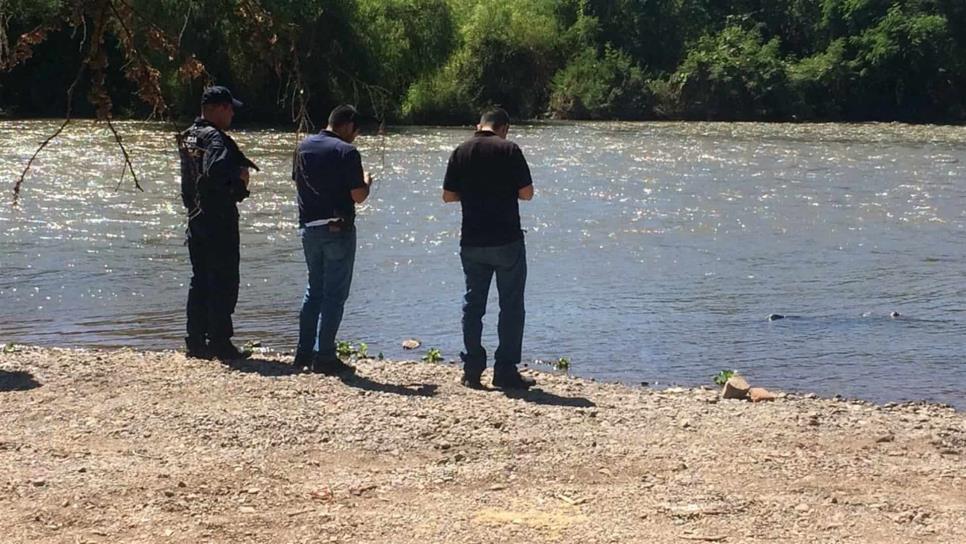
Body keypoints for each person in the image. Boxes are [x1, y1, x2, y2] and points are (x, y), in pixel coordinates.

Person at [442, 108, 535, 390]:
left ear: (478, 125)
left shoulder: (461, 151)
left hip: (472, 240)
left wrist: (472, 194)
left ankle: (472, 369)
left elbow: (447, 196)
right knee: (511, 306)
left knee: (473, 305)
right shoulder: (509, 149)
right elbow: (527, 193)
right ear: (504, 127)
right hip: (506, 239)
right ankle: (505, 370)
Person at [178, 85, 258, 361]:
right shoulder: (215, 139)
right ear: (219, 109)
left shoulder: (188, 135)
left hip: (195, 218)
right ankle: (221, 343)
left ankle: (196, 341)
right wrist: (240, 181)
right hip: (218, 219)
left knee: (200, 279)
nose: (233, 113)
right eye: (229, 108)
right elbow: (215, 173)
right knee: (224, 280)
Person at [292, 105, 373, 375]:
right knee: (335, 295)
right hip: (337, 228)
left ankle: (303, 353)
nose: (355, 136)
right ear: (347, 125)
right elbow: (358, 196)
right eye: (355, 131)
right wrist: (367, 181)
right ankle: (325, 356)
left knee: (313, 290)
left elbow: (298, 182)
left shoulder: (303, 146)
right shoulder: (346, 151)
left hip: (308, 228)